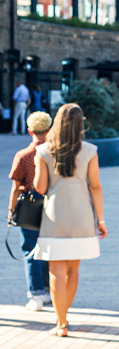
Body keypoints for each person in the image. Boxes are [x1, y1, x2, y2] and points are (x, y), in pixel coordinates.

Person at [33, 103, 108, 337]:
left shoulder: (44, 151)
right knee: (73, 270)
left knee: (55, 271)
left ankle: (61, 323)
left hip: (54, 217)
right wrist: (101, 220)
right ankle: (64, 317)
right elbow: (95, 186)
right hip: (82, 216)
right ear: (80, 124)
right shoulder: (90, 150)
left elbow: (40, 188)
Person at [7, 111, 53, 312]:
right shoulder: (55, 154)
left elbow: (16, 187)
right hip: (51, 206)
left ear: (29, 131)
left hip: (28, 207)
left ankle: (36, 296)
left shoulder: (23, 156)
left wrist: (11, 211)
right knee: (47, 249)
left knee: (30, 250)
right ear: (49, 130)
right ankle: (48, 290)